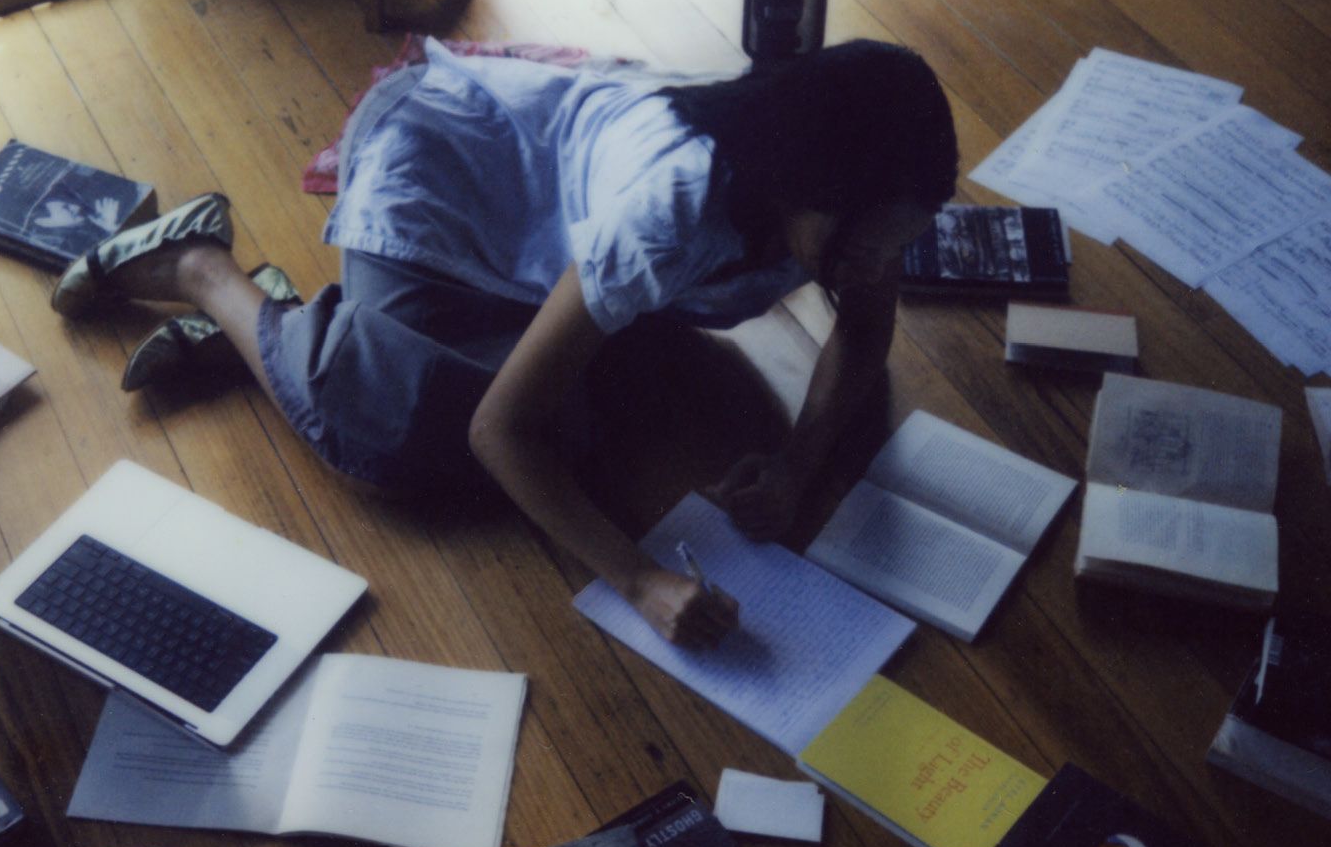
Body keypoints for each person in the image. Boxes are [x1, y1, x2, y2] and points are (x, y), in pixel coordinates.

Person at [53, 39, 957, 647]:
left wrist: (799, 465)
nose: (881, 263)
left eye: (900, 241)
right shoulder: (674, 211)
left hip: (543, 225)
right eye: (872, 239)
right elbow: (500, 430)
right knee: (399, 431)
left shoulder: (837, 206)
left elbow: (864, 327)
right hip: (442, 166)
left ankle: (296, 333)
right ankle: (206, 271)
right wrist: (639, 581)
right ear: (813, 180)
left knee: (575, 420)